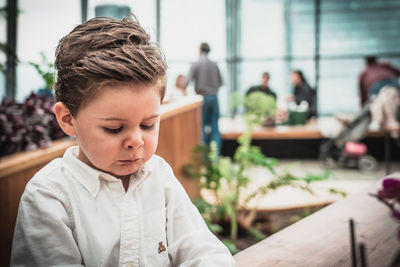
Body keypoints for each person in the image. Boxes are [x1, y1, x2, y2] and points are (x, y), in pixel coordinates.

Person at [11, 17, 234, 267]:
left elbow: (202, 249)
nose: (136, 141)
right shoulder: (48, 196)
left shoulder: (159, 176)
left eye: (148, 124)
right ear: (67, 119)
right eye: (114, 128)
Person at [183, 42, 223, 152]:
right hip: (214, 97)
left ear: (200, 50)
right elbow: (220, 82)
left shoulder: (196, 63)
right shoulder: (215, 64)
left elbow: (186, 82)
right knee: (215, 127)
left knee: (201, 128)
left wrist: (183, 90)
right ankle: (215, 156)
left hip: (202, 98)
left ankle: (204, 158)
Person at [358, 56, 400, 131]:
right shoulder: (384, 65)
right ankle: (389, 121)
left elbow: (362, 94)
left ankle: (378, 122)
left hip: (375, 87)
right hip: (390, 83)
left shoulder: (364, 72)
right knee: (388, 97)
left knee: (377, 101)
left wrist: (363, 106)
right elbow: (398, 72)